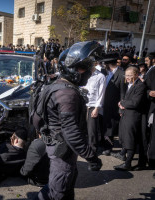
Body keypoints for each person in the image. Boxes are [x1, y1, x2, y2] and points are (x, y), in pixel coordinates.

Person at [35, 41, 102, 200]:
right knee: (59, 191)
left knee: (63, 186)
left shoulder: (57, 85)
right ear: (72, 69)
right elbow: (71, 132)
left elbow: (39, 120)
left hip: (58, 147)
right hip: (62, 151)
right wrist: (91, 157)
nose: (89, 73)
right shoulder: (67, 94)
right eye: (85, 68)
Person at [112, 67, 146, 171]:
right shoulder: (130, 84)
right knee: (125, 137)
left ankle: (128, 164)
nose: (127, 77)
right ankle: (125, 159)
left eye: (129, 75)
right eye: (126, 75)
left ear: (136, 75)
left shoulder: (140, 86)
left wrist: (122, 103)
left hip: (133, 116)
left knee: (130, 139)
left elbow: (135, 102)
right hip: (127, 114)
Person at [101, 53, 126, 156]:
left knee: (110, 128)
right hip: (103, 104)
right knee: (104, 126)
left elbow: (122, 93)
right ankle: (104, 144)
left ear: (108, 63)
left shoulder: (121, 74)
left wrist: (121, 109)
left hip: (113, 106)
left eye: (104, 63)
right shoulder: (105, 72)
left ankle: (109, 147)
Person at [84, 60, 106, 152]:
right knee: (82, 128)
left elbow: (101, 94)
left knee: (92, 130)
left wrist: (97, 108)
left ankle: (92, 150)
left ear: (95, 64)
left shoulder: (100, 76)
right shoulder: (84, 74)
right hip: (83, 105)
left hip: (93, 106)